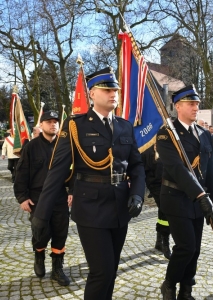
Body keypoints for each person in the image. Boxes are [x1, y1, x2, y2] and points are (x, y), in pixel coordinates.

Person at [31, 67, 145, 300]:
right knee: (101, 271)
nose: (113, 93)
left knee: (111, 270)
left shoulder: (124, 126)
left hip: (120, 207)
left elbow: (136, 166)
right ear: (92, 93)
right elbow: (56, 173)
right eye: (107, 89)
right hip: (91, 208)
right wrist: (41, 215)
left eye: (115, 89)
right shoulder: (75, 126)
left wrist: (138, 194)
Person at [156, 85, 213, 300]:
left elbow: (208, 169)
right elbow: (176, 169)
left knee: (196, 249)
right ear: (178, 106)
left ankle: (186, 290)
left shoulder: (202, 133)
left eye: (197, 104)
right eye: (191, 103)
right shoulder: (167, 133)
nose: (196, 107)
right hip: (176, 197)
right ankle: (169, 283)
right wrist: (201, 195)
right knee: (186, 247)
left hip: (199, 200)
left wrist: (212, 198)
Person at [14, 111, 70, 286]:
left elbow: (74, 172)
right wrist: (22, 197)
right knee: (40, 232)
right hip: (38, 198)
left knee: (60, 233)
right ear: (42, 125)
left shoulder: (65, 146)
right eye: (49, 122)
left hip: (60, 196)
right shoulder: (31, 147)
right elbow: (20, 173)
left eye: (55, 122)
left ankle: (57, 269)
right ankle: (39, 255)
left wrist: (73, 191)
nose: (53, 124)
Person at [142, 143, 171, 259]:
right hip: (155, 184)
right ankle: (165, 243)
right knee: (165, 210)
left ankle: (159, 241)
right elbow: (143, 167)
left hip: (169, 183)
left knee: (163, 211)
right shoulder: (147, 145)